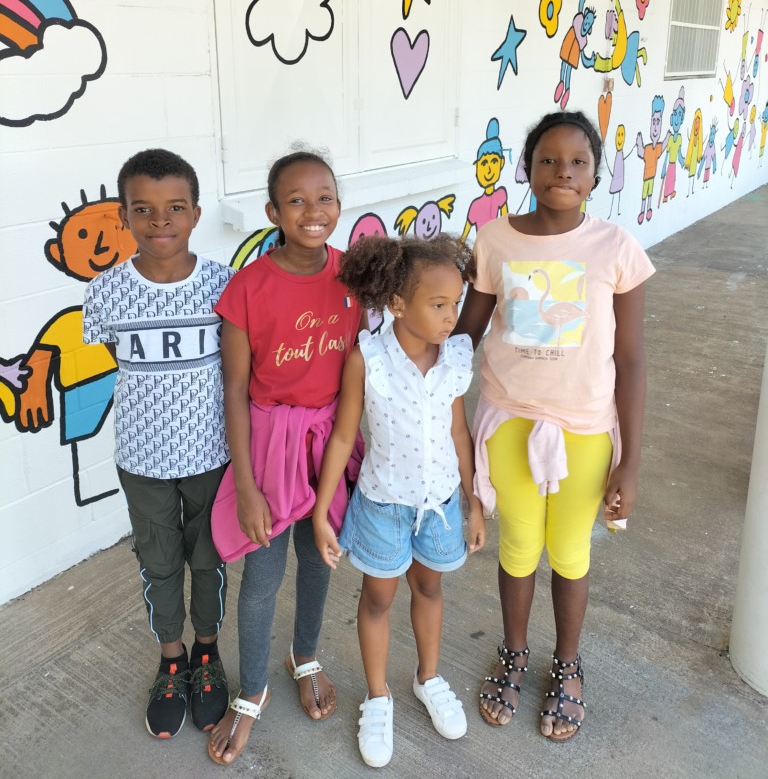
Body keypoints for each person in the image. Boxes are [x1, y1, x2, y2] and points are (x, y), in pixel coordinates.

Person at [455, 110, 654, 742]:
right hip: (509, 423)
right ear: (527, 168)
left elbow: (630, 359)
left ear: (595, 175)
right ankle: (513, 652)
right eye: (548, 159)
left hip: (585, 430)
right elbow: (466, 333)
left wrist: (629, 461)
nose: (562, 171)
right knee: (518, 547)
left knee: (570, 551)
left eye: (577, 162)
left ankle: (567, 664)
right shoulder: (495, 240)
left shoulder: (615, 247)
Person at [206, 150, 364, 766]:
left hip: (330, 441)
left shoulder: (354, 276)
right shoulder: (248, 288)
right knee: (262, 578)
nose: (312, 210)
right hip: (270, 448)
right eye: (295, 200)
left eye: (324, 197)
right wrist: (246, 487)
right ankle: (252, 690)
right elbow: (234, 392)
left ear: (339, 205)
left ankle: (306, 655)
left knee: (319, 558)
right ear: (272, 212)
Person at [313, 234, 486, 769]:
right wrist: (321, 511)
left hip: (439, 505)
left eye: (456, 303)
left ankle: (427, 678)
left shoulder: (454, 357)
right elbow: (344, 436)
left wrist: (474, 500)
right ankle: (377, 696)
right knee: (378, 599)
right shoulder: (368, 359)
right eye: (438, 305)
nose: (451, 316)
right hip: (383, 506)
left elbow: (458, 432)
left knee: (429, 587)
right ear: (397, 304)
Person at [82, 149, 235, 739]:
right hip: (142, 458)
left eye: (175, 207)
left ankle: (206, 651)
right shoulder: (106, 291)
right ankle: (172, 658)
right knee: (159, 561)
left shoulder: (223, 284)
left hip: (211, 454)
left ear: (195, 213)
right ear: (124, 217)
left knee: (208, 557)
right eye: (142, 209)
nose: (160, 220)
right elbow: (115, 360)